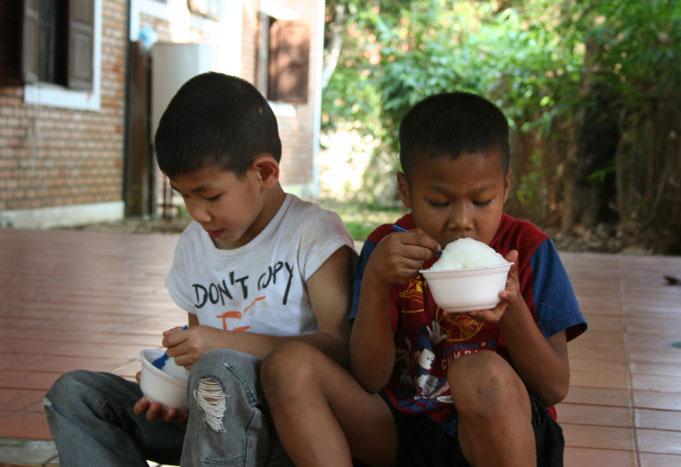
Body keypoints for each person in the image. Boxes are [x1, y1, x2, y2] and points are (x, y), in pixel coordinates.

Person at [43, 72, 356, 467]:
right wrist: (177, 389)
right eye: (184, 196)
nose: (197, 213)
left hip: (288, 427)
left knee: (217, 367)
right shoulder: (194, 244)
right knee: (74, 394)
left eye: (210, 195)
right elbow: (201, 354)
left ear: (264, 173)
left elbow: (341, 348)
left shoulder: (313, 234)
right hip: (210, 420)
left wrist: (218, 348)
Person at [260, 92, 587, 467]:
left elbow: (553, 387)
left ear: (506, 187)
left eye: (482, 200)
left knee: (479, 372)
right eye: (439, 202)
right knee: (286, 366)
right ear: (406, 191)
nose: (462, 220)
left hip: (502, 435)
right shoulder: (389, 248)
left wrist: (511, 310)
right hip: (402, 431)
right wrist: (376, 284)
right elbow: (368, 378)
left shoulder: (527, 249)